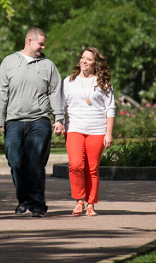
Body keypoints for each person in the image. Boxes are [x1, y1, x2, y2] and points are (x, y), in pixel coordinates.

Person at [0, 26, 65, 218]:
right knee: (16, 163)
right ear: (29, 41)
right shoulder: (9, 62)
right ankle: (23, 201)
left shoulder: (48, 65)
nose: (43, 47)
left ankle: (37, 205)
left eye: (44, 44)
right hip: (14, 121)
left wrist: (59, 118)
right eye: (41, 44)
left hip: (39, 120)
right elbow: (2, 93)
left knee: (36, 164)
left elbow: (54, 92)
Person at [61, 47, 115, 216]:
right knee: (76, 165)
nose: (84, 61)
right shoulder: (68, 81)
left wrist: (109, 133)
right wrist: (60, 123)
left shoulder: (104, 84)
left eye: (89, 59)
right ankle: (79, 200)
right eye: (82, 58)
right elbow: (62, 107)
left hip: (97, 130)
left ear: (96, 64)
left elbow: (110, 109)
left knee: (92, 168)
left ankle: (90, 203)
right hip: (74, 129)